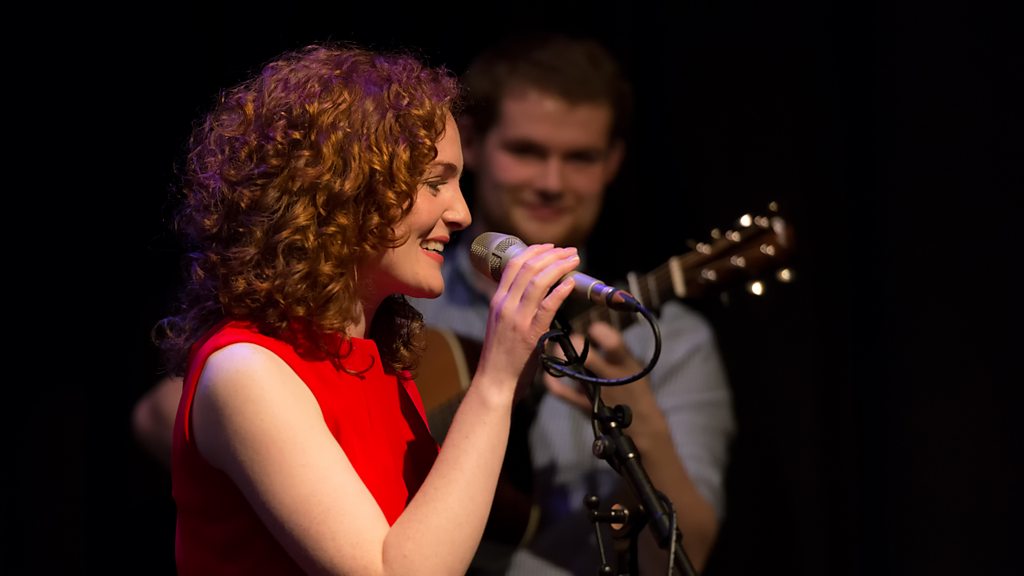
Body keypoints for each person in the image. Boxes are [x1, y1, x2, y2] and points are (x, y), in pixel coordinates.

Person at [150, 42, 584, 575]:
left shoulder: (379, 362)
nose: (462, 213)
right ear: (343, 190)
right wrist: (494, 384)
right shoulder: (246, 370)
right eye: (434, 183)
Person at [408, 32, 736, 575]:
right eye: (527, 151)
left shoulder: (668, 341)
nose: (552, 183)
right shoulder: (406, 301)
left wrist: (643, 425)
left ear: (613, 162)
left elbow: (684, 560)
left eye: (580, 158)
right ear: (473, 145)